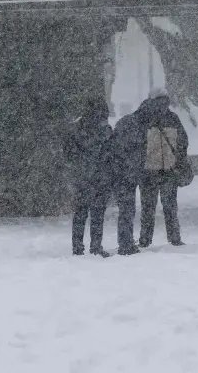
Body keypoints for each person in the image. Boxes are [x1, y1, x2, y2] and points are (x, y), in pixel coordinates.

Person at [138, 88, 188, 248]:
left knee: (148, 208)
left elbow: (137, 143)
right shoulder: (172, 118)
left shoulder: (143, 117)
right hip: (167, 169)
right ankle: (174, 238)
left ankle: (145, 239)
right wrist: (176, 156)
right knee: (169, 206)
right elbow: (183, 141)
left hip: (149, 170)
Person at [65, 97, 113, 257]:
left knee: (80, 214)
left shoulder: (76, 128)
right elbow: (111, 154)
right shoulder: (105, 130)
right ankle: (96, 247)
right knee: (97, 215)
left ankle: (77, 247)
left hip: (81, 178)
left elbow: (68, 154)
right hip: (100, 177)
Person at [110, 100, 152, 256]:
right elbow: (130, 150)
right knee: (127, 210)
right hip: (126, 174)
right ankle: (125, 244)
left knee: (126, 210)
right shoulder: (137, 126)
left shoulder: (126, 122)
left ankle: (126, 241)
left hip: (123, 173)